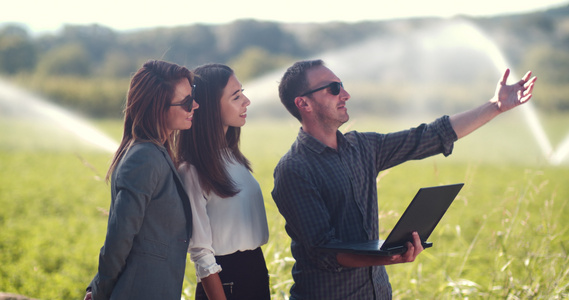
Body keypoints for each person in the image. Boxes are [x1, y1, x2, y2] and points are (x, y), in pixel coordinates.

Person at [271, 59, 536, 299]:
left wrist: (496, 106)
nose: (345, 94)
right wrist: (389, 257)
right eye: (333, 88)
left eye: (342, 86)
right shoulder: (294, 169)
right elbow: (324, 252)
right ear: (303, 103)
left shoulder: (363, 147)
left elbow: (430, 136)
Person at [84, 60, 199, 300]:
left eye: (193, 96)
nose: (195, 105)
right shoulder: (144, 158)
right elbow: (119, 239)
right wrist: (98, 292)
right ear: (158, 108)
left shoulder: (156, 153)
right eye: (187, 101)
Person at [177, 63, 271, 300]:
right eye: (236, 96)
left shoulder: (232, 157)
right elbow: (201, 252)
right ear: (209, 106)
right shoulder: (191, 171)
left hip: (255, 271)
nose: (246, 101)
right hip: (226, 283)